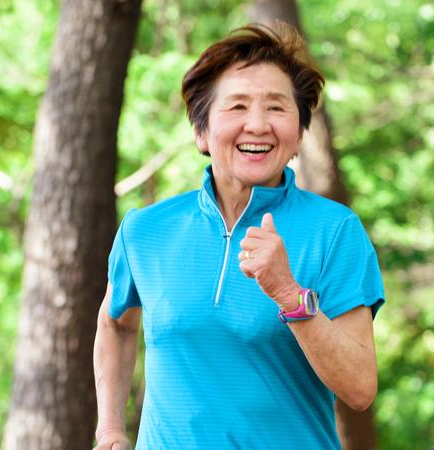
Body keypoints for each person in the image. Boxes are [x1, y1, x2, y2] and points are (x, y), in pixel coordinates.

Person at [92, 22, 385, 450]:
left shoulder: (335, 231)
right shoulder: (146, 230)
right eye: (237, 107)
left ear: (299, 134)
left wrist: (288, 294)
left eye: (277, 108)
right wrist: (111, 430)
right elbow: (115, 325)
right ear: (201, 132)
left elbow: (359, 389)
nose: (258, 124)